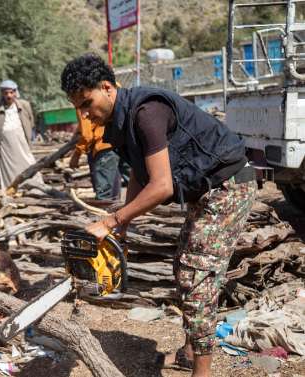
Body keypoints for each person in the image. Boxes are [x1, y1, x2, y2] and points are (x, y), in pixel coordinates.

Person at [60, 53, 256, 377]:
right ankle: (191, 351)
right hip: (206, 191)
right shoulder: (119, 124)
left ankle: (202, 372)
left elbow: (162, 186)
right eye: (77, 107)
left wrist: (111, 221)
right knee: (184, 265)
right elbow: (141, 173)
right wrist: (124, 223)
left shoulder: (146, 112)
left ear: (107, 87)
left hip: (228, 187)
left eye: (86, 102)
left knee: (197, 276)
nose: (83, 113)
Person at [0, 80, 42, 191]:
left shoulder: (24, 105)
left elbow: (30, 121)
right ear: (2, 94)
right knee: (8, 167)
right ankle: (12, 189)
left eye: (11, 92)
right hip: (5, 143)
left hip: (22, 139)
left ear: (15, 92)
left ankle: (35, 185)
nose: (9, 95)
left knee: (28, 160)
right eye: (6, 93)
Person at [70, 109, 121, 200]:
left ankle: (105, 213)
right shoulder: (102, 100)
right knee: (113, 190)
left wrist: (76, 155)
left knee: (104, 193)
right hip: (114, 145)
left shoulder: (83, 106)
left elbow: (86, 136)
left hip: (102, 148)